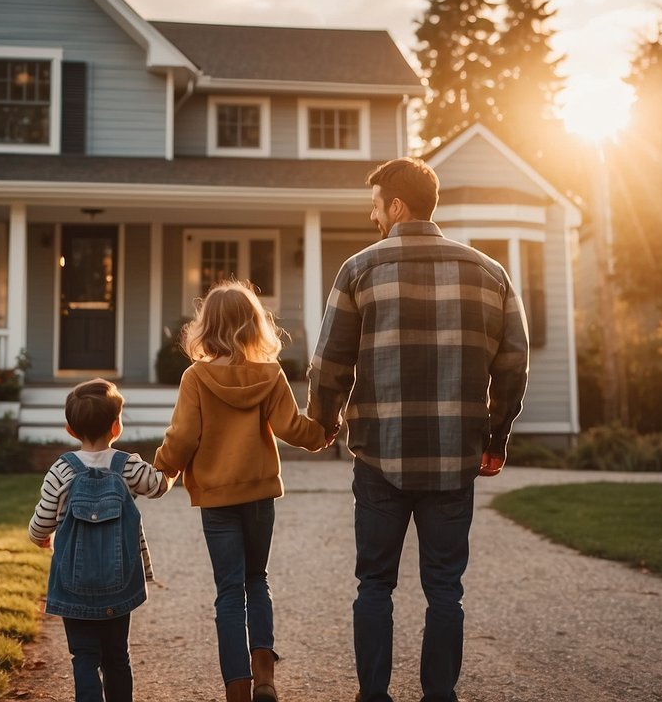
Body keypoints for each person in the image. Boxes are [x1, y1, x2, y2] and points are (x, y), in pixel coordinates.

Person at [307, 156, 530, 702]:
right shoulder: (491, 273)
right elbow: (514, 365)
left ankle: (373, 696)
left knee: (374, 585)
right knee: (445, 590)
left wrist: (325, 419)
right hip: (456, 456)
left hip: (380, 457)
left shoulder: (358, 269)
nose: (373, 216)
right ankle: (439, 696)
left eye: (376, 206)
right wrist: (495, 438)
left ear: (397, 206)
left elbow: (328, 362)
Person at [153, 280, 336, 702]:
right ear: (255, 325)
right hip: (258, 496)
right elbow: (293, 428)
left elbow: (182, 438)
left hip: (217, 500)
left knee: (229, 590)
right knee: (258, 579)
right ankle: (265, 678)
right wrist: (323, 433)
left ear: (206, 327)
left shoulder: (196, 377)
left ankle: (237, 687)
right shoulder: (270, 374)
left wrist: (161, 471)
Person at [28, 378, 171, 702]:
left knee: (84, 657)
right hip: (119, 582)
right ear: (116, 426)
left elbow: (40, 523)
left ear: (69, 429)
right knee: (117, 657)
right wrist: (171, 469)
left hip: (72, 585)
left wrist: (41, 539)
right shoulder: (128, 466)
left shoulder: (60, 472)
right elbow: (159, 485)